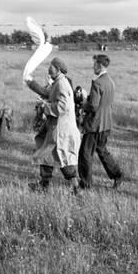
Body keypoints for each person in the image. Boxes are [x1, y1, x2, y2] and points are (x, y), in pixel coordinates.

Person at [25, 57, 80, 191]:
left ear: (58, 69)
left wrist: (45, 107)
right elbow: (47, 93)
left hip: (61, 130)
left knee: (64, 159)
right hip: (56, 128)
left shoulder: (62, 84)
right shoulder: (58, 82)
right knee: (46, 154)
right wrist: (30, 82)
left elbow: (63, 106)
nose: (49, 70)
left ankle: (76, 188)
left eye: (51, 67)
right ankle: (43, 186)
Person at [78, 54, 123, 189]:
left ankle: (85, 184)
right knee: (102, 150)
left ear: (100, 65)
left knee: (85, 153)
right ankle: (117, 175)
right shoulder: (110, 81)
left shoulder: (97, 82)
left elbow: (93, 106)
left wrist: (83, 102)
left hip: (95, 124)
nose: (93, 66)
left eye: (95, 64)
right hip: (106, 123)